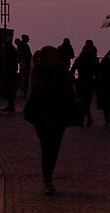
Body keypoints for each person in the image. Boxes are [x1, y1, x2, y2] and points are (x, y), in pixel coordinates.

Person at [23, 46, 79, 195]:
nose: (56, 58)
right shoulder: (38, 70)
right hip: (41, 114)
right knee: (47, 146)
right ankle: (47, 180)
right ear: (45, 57)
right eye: (53, 55)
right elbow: (38, 89)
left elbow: (68, 90)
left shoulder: (62, 69)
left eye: (57, 55)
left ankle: (49, 177)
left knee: (54, 148)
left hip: (60, 114)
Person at [72, 40, 100, 125]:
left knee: (82, 101)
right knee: (87, 101)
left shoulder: (79, 59)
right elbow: (97, 72)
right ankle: (87, 117)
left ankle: (83, 118)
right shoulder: (94, 59)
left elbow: (72, 71)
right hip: (89, 82)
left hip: (80, 81)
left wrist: (74, 80)